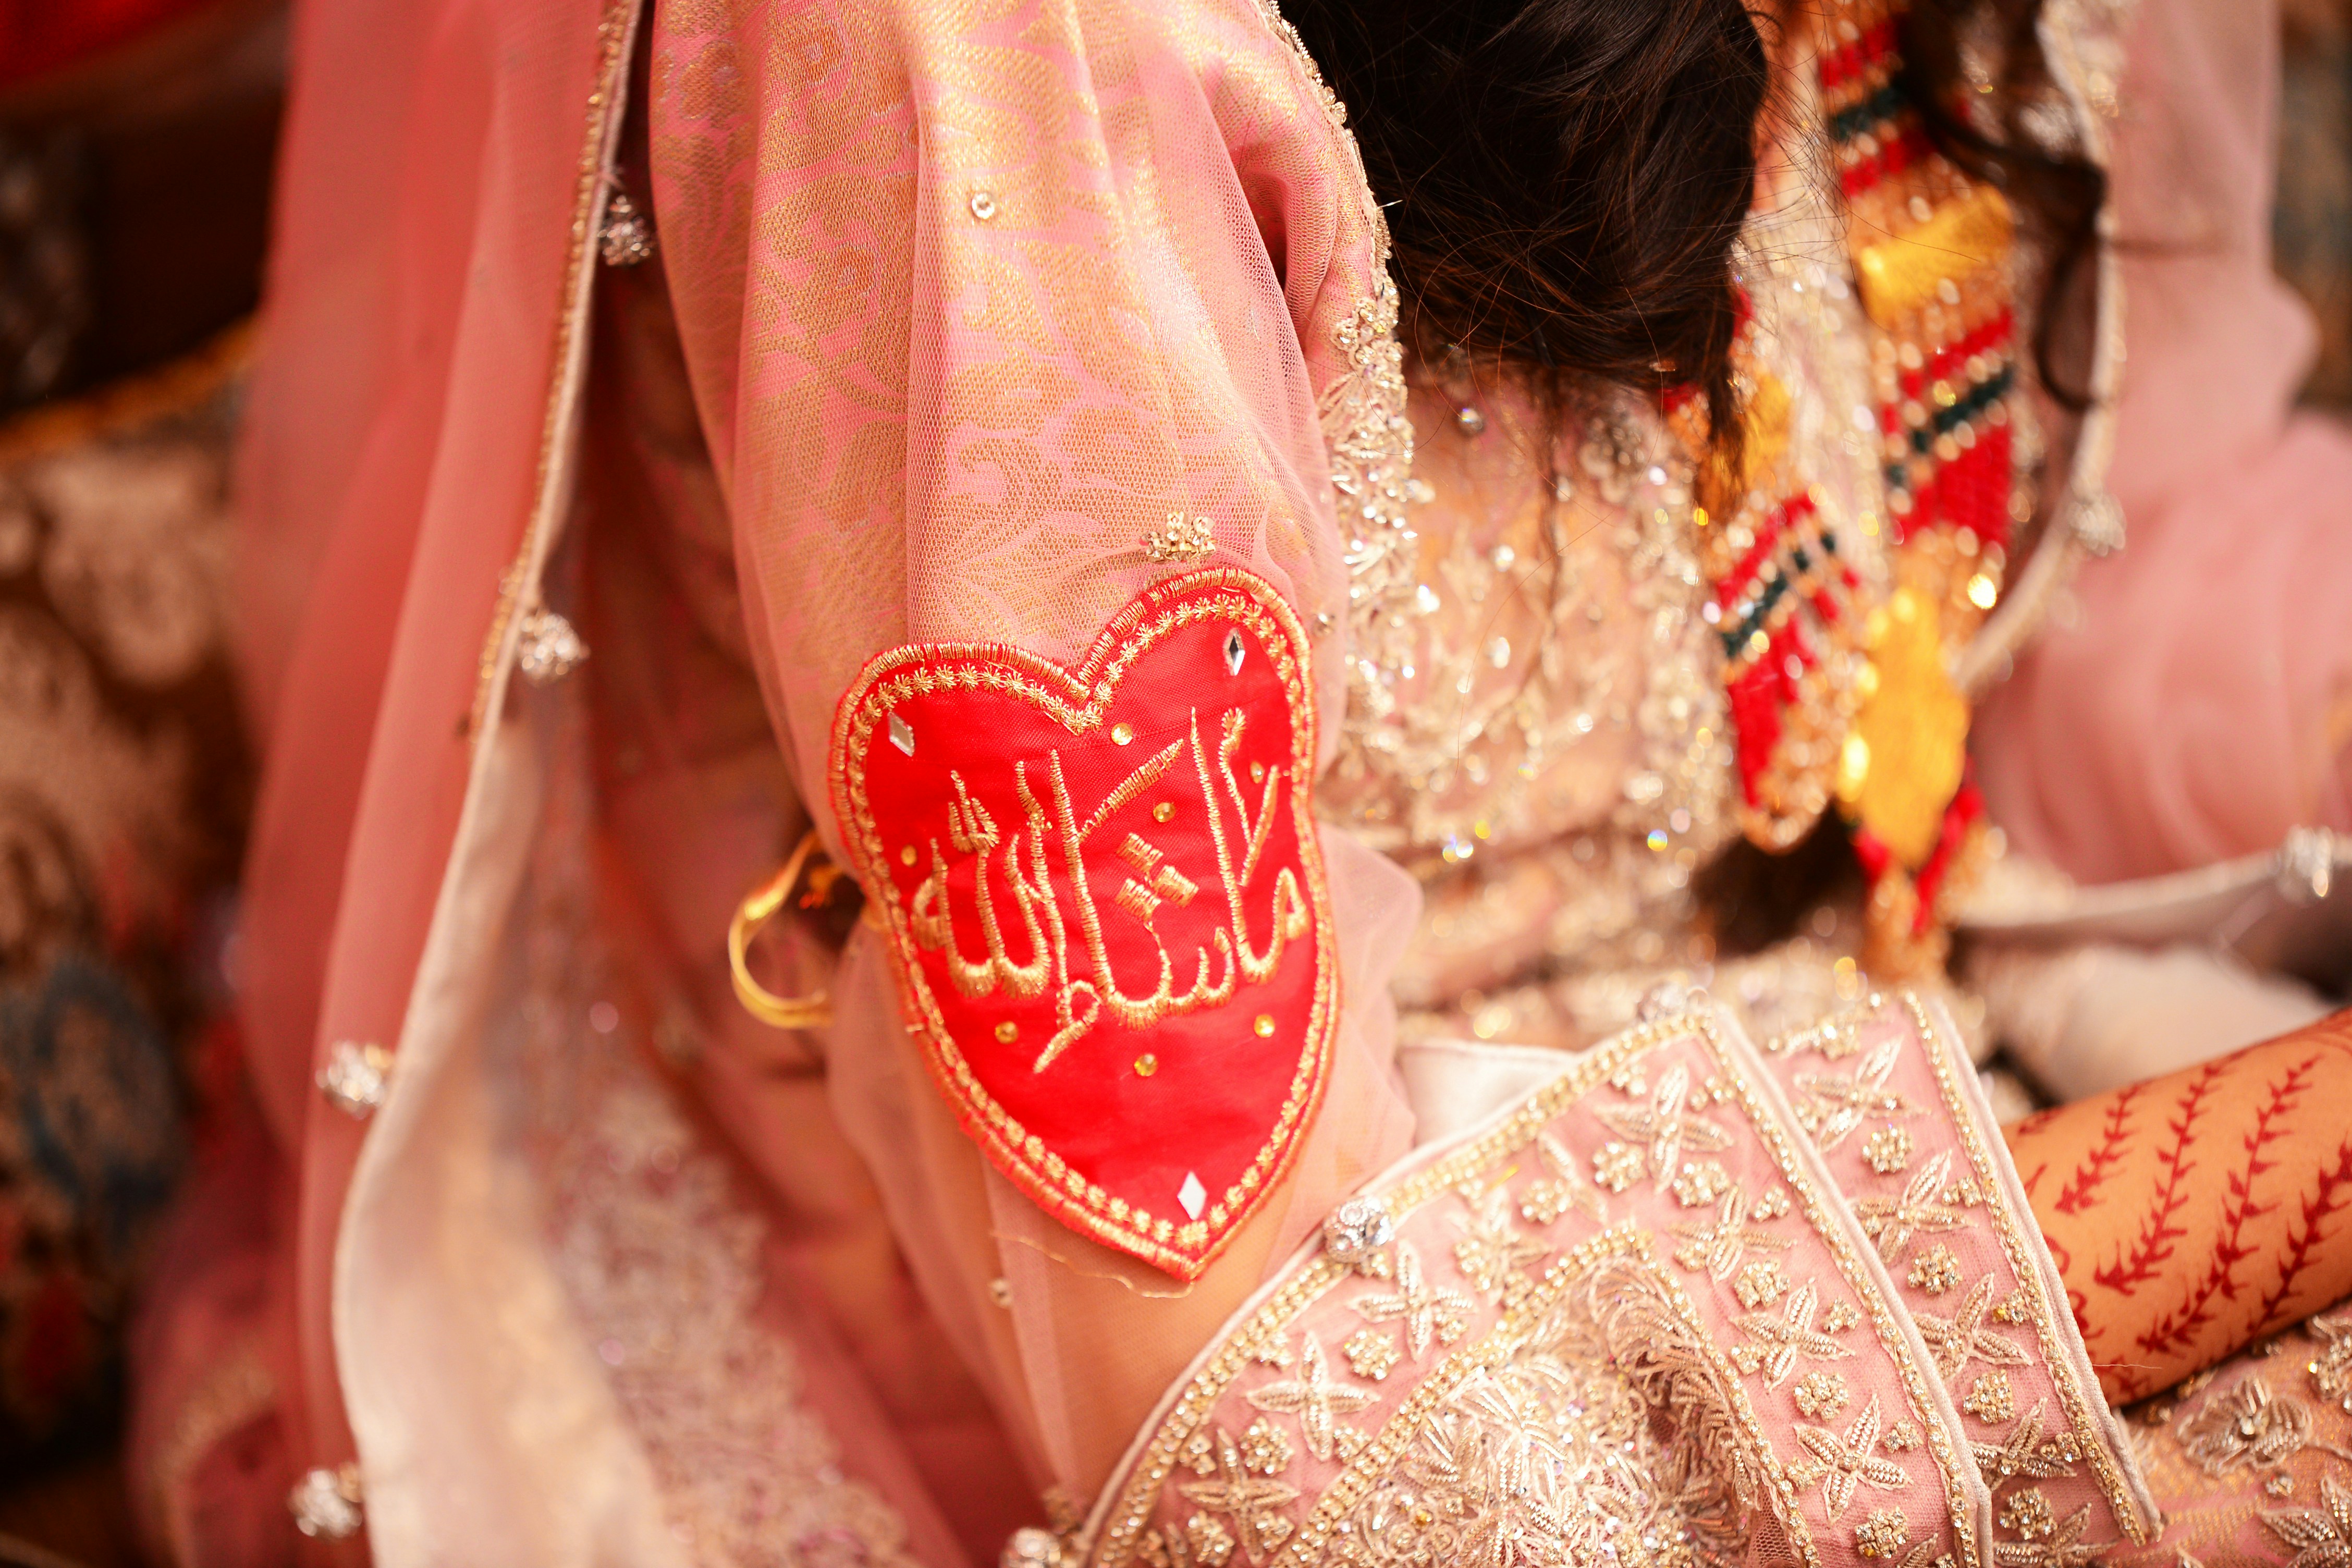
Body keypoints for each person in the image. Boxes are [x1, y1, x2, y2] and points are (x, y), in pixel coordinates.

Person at [125, 0, 2352, 1564]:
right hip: (1182, 1371)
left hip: (1845, 1099)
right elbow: (1305, 1450)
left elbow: (2055, 598)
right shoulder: (960, 45)